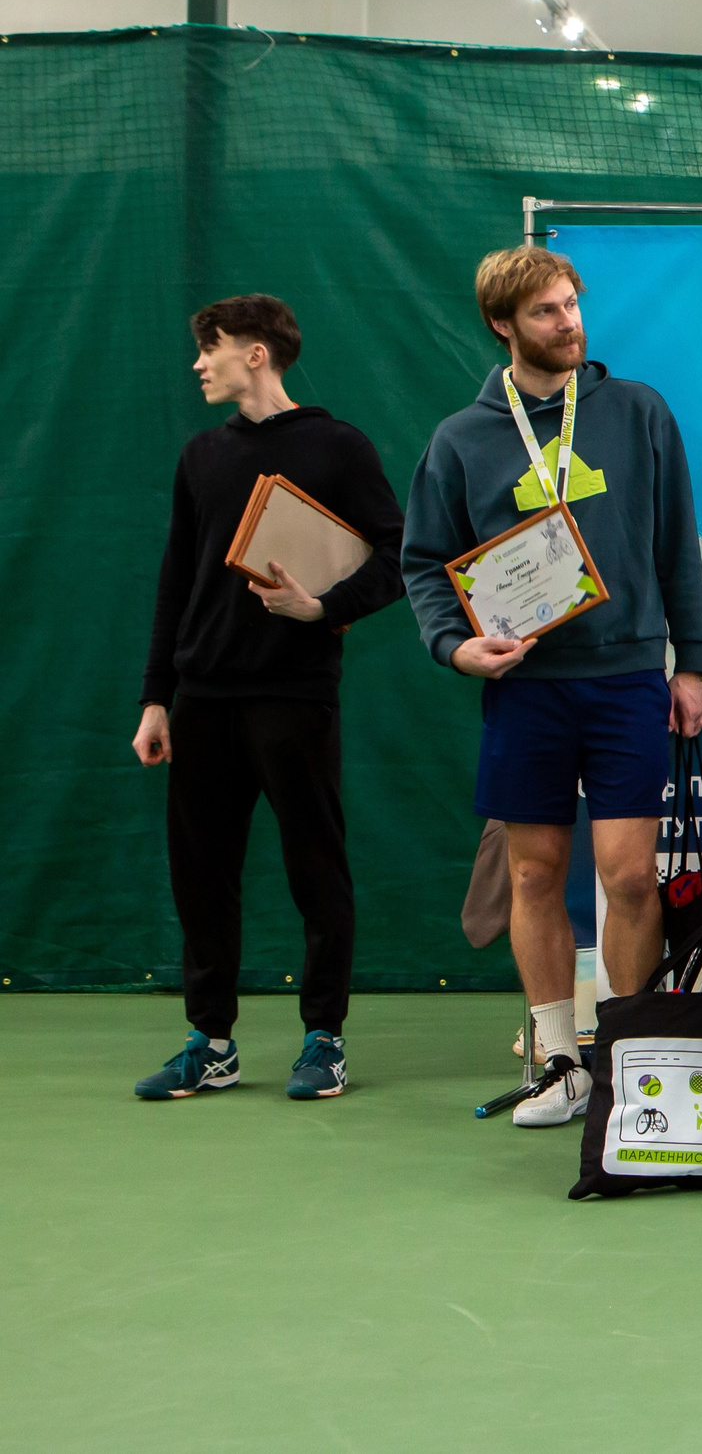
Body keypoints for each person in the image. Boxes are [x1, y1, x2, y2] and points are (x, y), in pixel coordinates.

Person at [401, 246, 702, 1128]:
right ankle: (558, 1063)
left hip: (624, 680)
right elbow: (425, 564)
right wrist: (455, 648)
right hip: (527, 688)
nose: (569, 323)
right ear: (503, 325)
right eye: (546, 312)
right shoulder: (461, 438)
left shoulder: (638, 412)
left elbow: (676, 541)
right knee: (535, 874)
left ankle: (627, 1054)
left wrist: (688, 661)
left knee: (630, 878)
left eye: (572, 305)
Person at [131, 295, 407, 1103]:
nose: (197, 363)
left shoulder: (338, 447)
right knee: (200, 872)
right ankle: (210, 1044)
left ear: (256, 353)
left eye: (208, 348)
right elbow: (176, 579)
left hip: (296, 696)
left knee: (314, 865)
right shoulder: (199, 456)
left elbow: (394, 557)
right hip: (203, 701)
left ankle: (324, 1039)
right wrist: (157, 698)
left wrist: (323, 609)